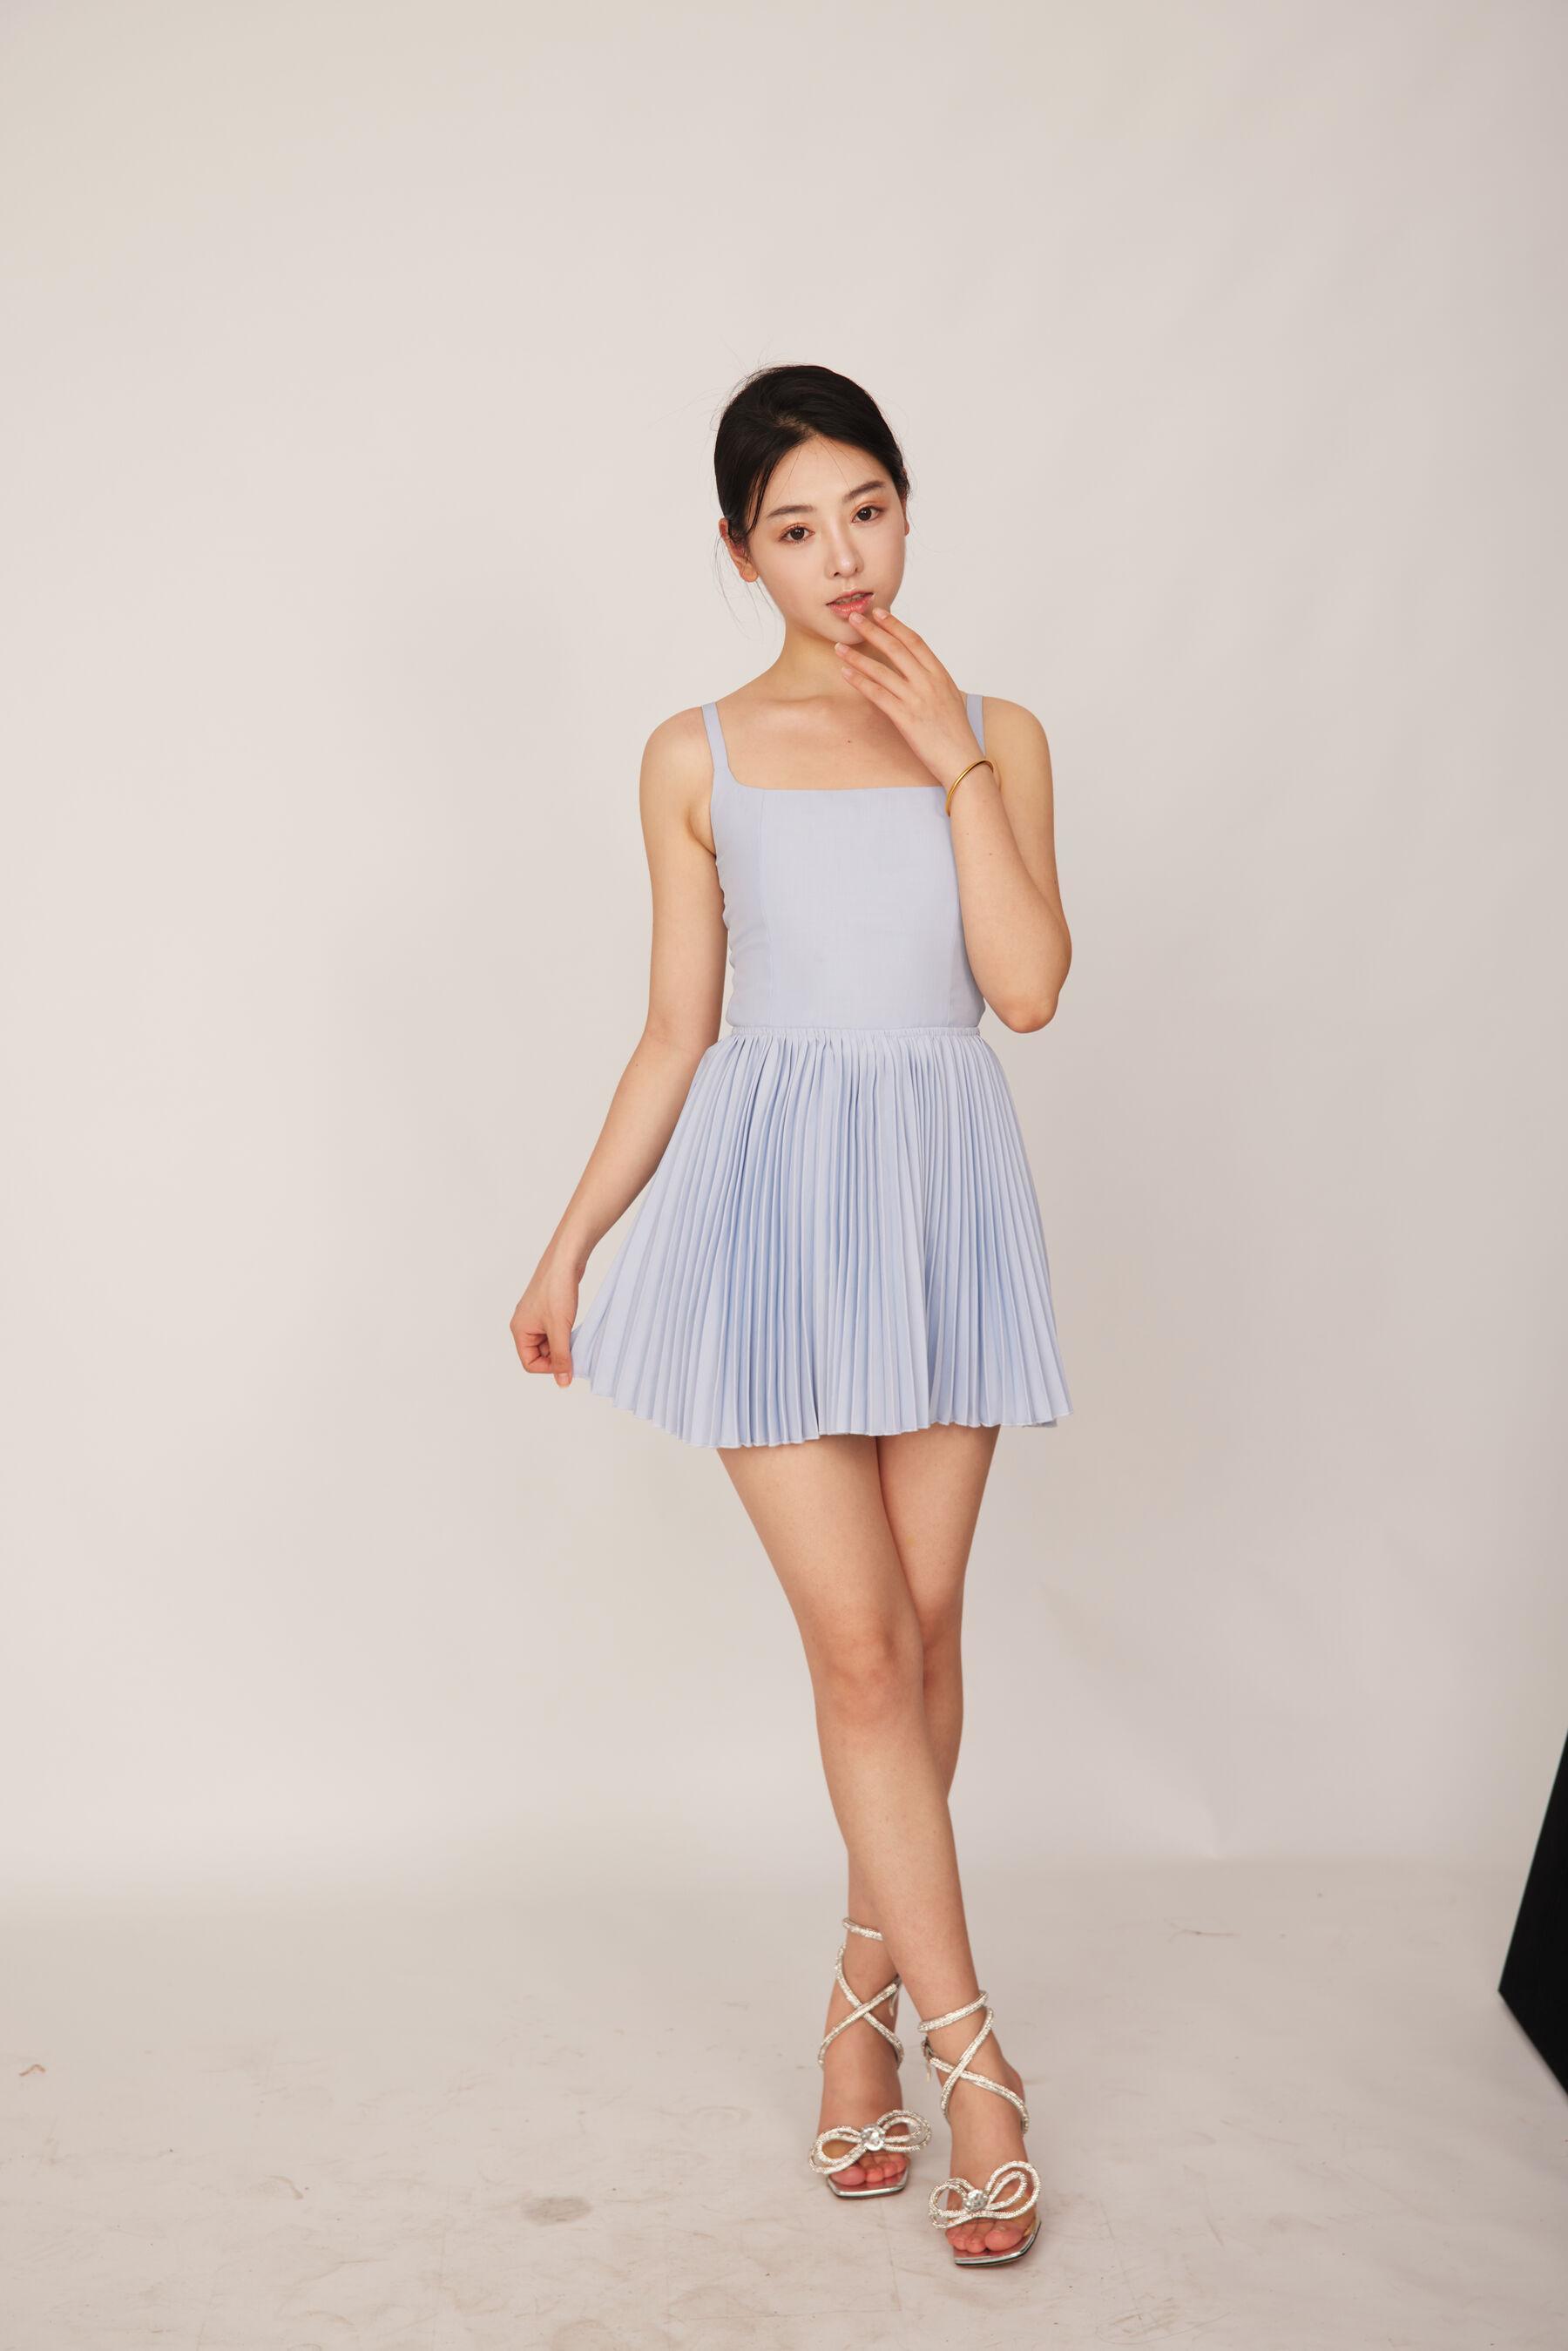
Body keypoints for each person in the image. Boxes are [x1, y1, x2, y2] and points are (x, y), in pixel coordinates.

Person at [511, 362, 1073, 2269]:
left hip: (936, 1200)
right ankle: (977, 2071)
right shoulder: (696, 755)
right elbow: (678, 1029)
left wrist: (952, 758)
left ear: (908, 509)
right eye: (797, 528)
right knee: (857, 1656)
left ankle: (857, 2013)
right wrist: (571, 1244)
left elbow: (1027, 988)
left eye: (870, 511)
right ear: (738, 551)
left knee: (923, 1636)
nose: (844, 559)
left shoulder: (1001, 733)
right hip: (768, 1211)